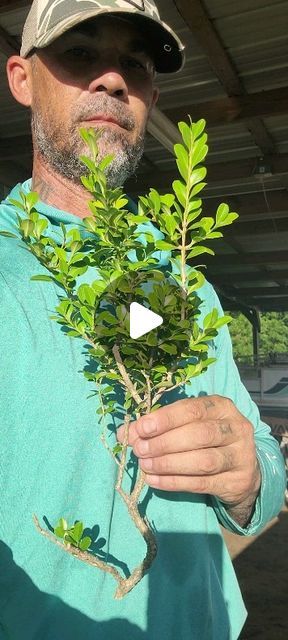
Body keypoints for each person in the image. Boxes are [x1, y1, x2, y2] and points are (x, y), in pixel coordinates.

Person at [0, 1, 285, 639]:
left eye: (136, 63)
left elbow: (264, 458)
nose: (113, 78)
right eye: (80, 52)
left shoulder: (182, 281)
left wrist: (249, 478)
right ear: (22, 78)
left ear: (151, 96)